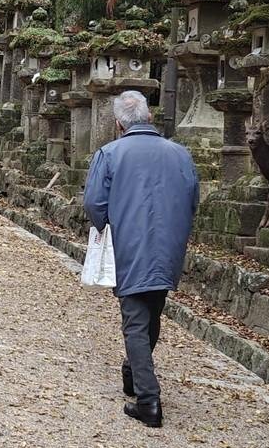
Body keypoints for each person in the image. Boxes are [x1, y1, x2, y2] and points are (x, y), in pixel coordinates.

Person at [82, 89, 200, 430]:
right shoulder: (180, 154)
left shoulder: (111, 153)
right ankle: (134, 372)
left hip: (130, 241)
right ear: (149, 117)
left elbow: (94, 203)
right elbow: (193, 199)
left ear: (118, 124)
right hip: (169, 242)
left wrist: (105, 224)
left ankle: (148, 400)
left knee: (135, 318)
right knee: (153, 308)